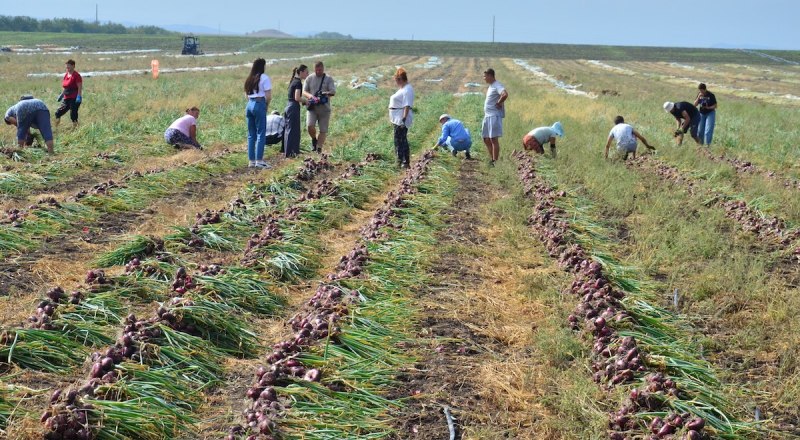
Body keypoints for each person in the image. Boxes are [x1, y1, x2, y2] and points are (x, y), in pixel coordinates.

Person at [244, 58, 272, 169]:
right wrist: (266, 105)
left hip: (249, 104)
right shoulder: (264, 77)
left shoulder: (249, 78)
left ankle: (251, 160)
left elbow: (246, 94)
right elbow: (268, 95)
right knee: (261, 132)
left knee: (251, 134)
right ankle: (259, 160)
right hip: (259, 102)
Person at [303, 61, 336, 153]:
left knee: (323, 129)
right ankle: (314, 139)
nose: (318, 71)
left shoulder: (328, 79)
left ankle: (318, 148)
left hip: (324, 109)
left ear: (323, 69)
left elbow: (333, 91)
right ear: (314, 69)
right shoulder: (309, 78)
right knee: (310, 125)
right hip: (312, 108)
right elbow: (304, 91)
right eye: (316, 70)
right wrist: (311, 97)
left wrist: (325, 94)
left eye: (320, 70)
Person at [388, 67, 414, 169]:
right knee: (398, 140)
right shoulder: (403, 88)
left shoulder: (407, 89)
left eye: (396, 80)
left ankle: (404, 161)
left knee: (401, 140)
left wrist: (403, 119)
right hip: (397, 117)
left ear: (401, 79)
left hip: (401, 118)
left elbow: (406, 105)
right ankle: (400, 160)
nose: (396, 82)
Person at [481, 68, 507, 166]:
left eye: (485, 76)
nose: (484, 78)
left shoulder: (497, 85)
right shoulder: (491, 86)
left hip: (493, 116)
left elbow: (504, 94)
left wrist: (499, 102)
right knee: (486, 139)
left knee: (493, 139)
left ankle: (495, 161)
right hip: (487, 116)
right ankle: (492, 158)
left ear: (490, 76)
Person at [285, 64, 312, 158]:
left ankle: (288, 151)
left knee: (289, 129)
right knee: (294, 130)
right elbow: (297, 97)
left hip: (289, 106)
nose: (307, 74)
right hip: (293, 107)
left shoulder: (294, 81)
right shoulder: (298, 83)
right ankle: (292, 152)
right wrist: (306, 101)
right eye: (306, 72)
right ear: (301, 72)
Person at [55, 59, 82, 128]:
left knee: (73, 115)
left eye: (69, 67)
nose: (67, 68)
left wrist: (79, 96)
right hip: (66, 98)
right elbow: (65, 87)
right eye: (66, 67)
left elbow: (79, 87)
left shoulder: (76, 75)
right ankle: (56, 127)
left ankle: (75, 128)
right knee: (58, 112)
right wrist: (61, 95)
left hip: (74, 98)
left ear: (73, 66)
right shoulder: (66, 75)